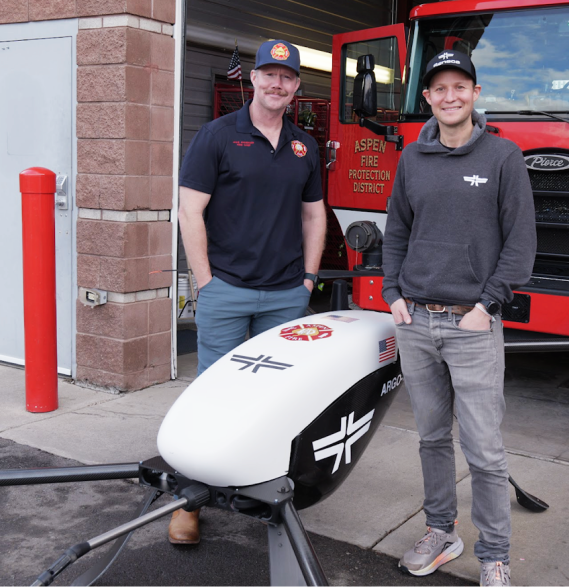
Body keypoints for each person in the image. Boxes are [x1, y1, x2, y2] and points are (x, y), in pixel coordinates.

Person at [381, 51, 536, 587]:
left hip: (472, 325)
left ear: (475, 93)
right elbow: (396, 231)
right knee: (431, 439)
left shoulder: (503, 156)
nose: (450, 96)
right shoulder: (412, 158)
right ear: (427, 97)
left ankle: (494, 555)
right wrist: (392, 293)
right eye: (440, 88)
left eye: (460, 86)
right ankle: (441, 532)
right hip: (416, 322)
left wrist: (487, 306)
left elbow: (520, 244)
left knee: (485, 450)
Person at [169, 39, 327, 544]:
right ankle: (189, 501)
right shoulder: (217, 136)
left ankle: (264, 490)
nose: (277, 83)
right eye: (269, 74)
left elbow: (314, 216)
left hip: (286, 294)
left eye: (287, 76)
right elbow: (189, 211)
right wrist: (206, 283)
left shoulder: (304, 147)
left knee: (276, 399)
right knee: (211, 396)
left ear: (296, 86)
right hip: (227, 290)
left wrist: (307, 279)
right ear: (253, 78)